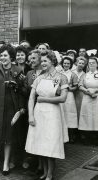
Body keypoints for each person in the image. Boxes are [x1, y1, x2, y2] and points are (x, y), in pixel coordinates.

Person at [25, 50, 68, 180]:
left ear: (52, 61)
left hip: (53, 114)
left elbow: (63, 98)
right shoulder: (39, 78)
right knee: (40, 144)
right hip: (39, 114)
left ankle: (50, 175)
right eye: (41, 61)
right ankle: (44, 172)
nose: (42, 63)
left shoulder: (61, 77)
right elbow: (32, 98)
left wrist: (45, 100)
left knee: (51, 143)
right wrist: (31, 116)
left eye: (45, 61)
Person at [0, 44, 25, 176]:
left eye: (5, 55)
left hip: (11, 108)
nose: (3, 58)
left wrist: (16, 87)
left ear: (11, 57)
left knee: (8, 137)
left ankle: (6, 163)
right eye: (1, 55)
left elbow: (23, 90)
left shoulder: (18, 70)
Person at [78, 56, 98, 146]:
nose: (91, 64)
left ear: (97, 64)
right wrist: (88, 91)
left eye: (93, 63)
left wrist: (95, 90)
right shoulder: (85, 75)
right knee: (88, 117)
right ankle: (89, 139)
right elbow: (80, 86)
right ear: (87, 65)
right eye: (89, 63)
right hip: (87, 97)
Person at [60, 56, 78, 143]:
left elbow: (75, 87)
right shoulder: (58, 73)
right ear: (62, 64)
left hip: (69, 96)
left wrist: (68, 88)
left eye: (68, 63)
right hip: (61, 95)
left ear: (70, 65)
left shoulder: (73, 74)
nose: (66, 65)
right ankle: (62, 135)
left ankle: (71, 136)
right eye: (64, 63)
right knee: (62, 113)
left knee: (70, 115)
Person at [72, 56, 86, 121]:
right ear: (76, 63)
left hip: (80, 94)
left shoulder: (85, 74)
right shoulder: (72, 72)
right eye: (80, 63)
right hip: (72, 93)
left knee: (79, 109)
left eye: (83, 63)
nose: (81, 65)